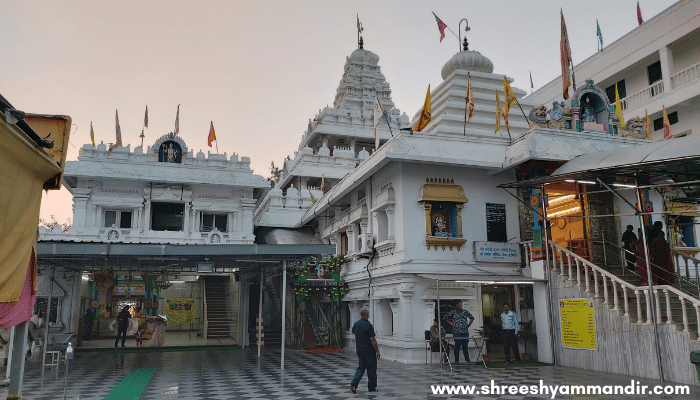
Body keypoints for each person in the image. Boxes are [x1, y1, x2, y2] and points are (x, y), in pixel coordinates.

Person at [350, 308, 380, 394]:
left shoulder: (356, 324)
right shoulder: (369, 325)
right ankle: (372, 387)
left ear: (361, 315)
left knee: (361, 367)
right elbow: (372, 339)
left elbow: (353, 332)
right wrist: (377, 350)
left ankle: (354, 383)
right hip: (369, 351)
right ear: (367, 315)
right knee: (371, 369)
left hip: (360, 350)